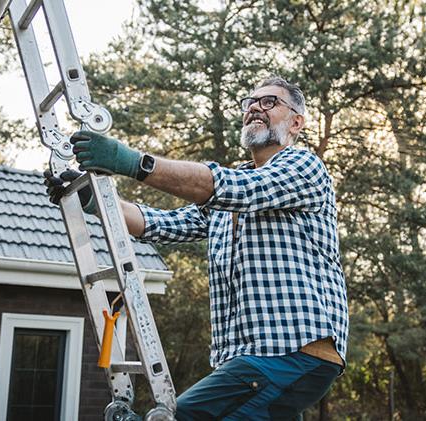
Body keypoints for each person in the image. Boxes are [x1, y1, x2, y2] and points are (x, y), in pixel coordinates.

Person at [45, 76, 348, 420]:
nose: (254, 108)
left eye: (269, 102)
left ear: (296, 122)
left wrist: (132, 162)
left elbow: (233, 187)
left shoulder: (304, 167)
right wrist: (96, 200)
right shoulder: (230, 195)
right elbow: (160, 224)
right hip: (251, 358)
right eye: (250, 102)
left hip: (291, 352)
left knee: (184, 414)